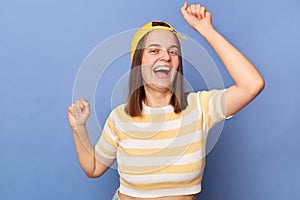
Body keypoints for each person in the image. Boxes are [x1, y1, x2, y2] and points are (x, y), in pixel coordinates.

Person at [68, 2, 264, 200]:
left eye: (173, 51)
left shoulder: (200, 107)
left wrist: (206, 29)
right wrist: (79, 128)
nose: (166, 57)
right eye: (154, 50)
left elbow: (252, 85)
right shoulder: (120, 118)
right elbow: (93, 168)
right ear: (138, 61)